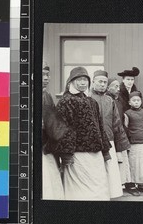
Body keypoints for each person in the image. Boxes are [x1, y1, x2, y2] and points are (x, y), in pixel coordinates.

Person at [56, 67, 111, 200]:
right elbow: (63, 129)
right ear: (71, 81)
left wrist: (105, 150)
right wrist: (66, 154)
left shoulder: (92, 102)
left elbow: (99, 126)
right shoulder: (65, 101)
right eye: (79, 79)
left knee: (98, 186)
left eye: (85, 80)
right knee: (80, 189)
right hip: (78, 154)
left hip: (95, 154)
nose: (82, 83)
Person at [91, 70, 137, 198]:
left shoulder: (109, 101)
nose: (102, 84)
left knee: (110, 170)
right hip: (92, 142)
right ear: (93, 82)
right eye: (100, 82)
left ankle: (110, 195)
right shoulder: (88, 99)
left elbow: (117, 123)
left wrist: (122, 145)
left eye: (105, 82)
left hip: (109, 140)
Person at [106, 78, 140, 196]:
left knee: (125, 160)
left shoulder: (119, 100)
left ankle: (129, 184)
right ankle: (116, 186)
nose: (118, 89)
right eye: (115, 86)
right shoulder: (107, 100)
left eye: (118, 86)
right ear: (108, 87)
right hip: (111, 135)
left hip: (121, 133)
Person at [42, 62, 64, 200]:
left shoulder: (47, 95)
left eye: (47, 75)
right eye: (42, 75)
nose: (46, 78)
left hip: (46, 143)